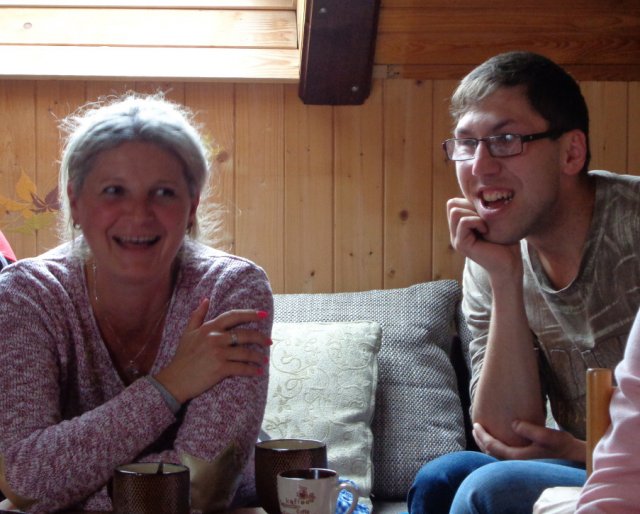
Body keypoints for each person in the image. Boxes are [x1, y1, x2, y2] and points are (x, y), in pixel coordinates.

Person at [0, 93, 273, 513]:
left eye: (163, 192)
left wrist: (63, 492)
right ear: (76, 202)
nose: (139, 214)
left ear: (192, 206)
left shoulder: (232, 288)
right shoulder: (27, 295)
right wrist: (171, 384)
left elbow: (206, 484)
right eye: (114, 191)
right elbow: (24, 480)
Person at [407, 50, 640, 514]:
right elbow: (504, 434)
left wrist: (582, 451)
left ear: (571, 152)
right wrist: (504, 276)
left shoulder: (630, 223)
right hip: (579, 462)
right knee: (441, 478)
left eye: (506, 140)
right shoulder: (491, 257)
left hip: (625, 472)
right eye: (466, 143)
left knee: (490, 487)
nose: (479, 166)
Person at [575, 307, 640, 512]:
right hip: (615, 465)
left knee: (497, 483)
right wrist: (504, 291)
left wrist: (571, 448)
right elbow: (506, 434)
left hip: (600, 459)